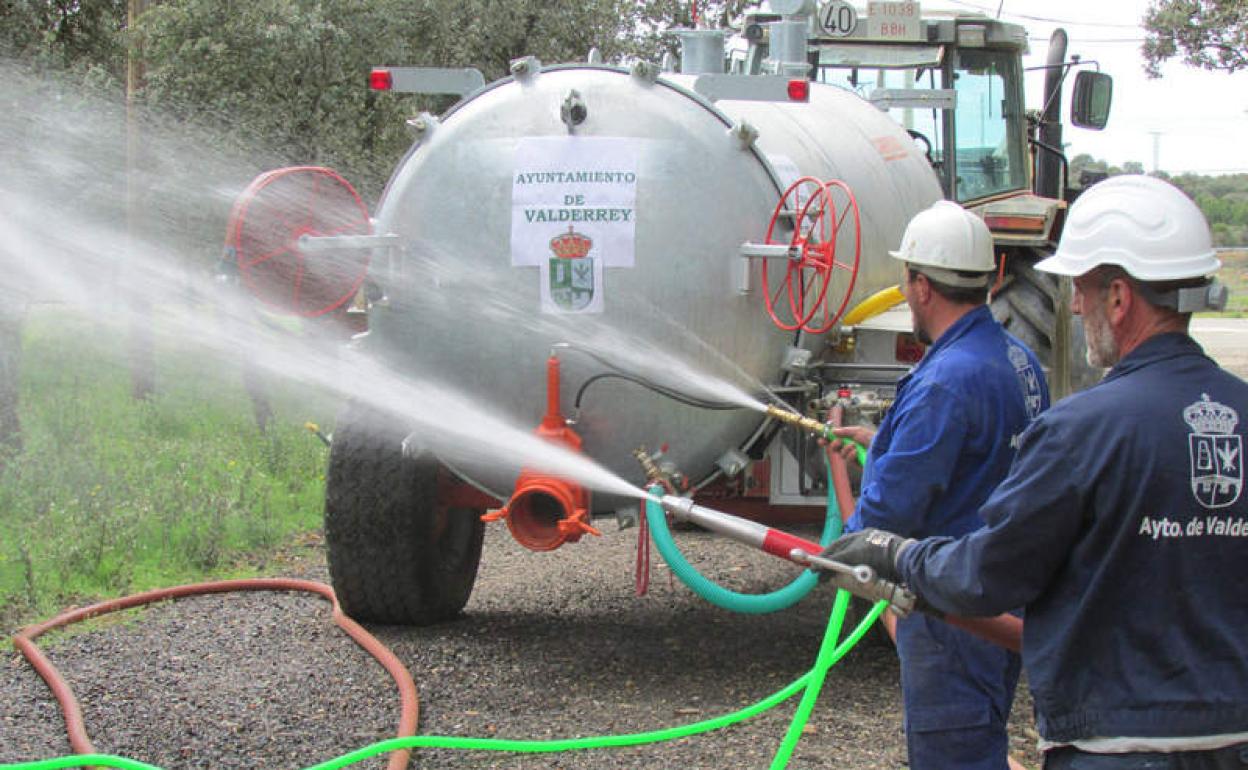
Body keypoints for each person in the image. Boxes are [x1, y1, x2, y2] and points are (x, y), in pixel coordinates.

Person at [822, 175, 1248, 769]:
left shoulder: (1084, 429)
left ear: (1120, 298)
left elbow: (988, 574)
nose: (1072, 304)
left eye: (1082, 289)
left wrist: (896, 558)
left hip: (1116, 745)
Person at [828, 200, 1049, 770]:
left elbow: (882, 521)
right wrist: (886, 442)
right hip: (1000, 597)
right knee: (983, 740)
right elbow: (982, 457)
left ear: (923, 286)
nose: (904, 294)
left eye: (906, 281)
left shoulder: (944, 384)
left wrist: (844, 542)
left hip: (950, 614)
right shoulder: (1018, 359)